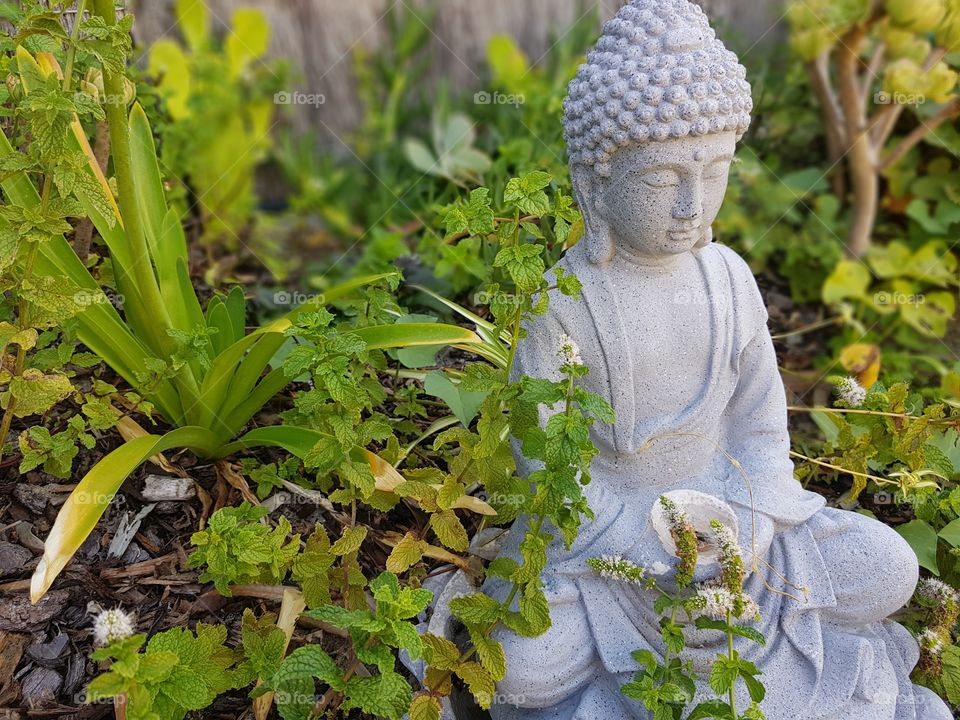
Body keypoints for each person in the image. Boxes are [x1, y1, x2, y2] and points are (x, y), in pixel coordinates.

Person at [483, 2, 952, 718]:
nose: (690, 205)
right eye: (660, 178)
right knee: (523, 669)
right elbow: (549, 471)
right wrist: (644, 550)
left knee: (887, 567)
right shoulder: (564, 303)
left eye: (714, 173)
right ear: (594, 182)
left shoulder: (728, 277)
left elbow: (760, 427)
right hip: (608, 548)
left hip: (734, 524)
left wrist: (754, 523)